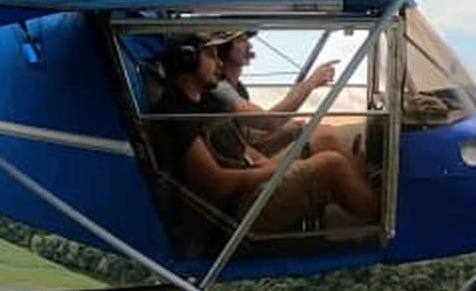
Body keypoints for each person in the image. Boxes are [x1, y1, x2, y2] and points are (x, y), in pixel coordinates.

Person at [152, 33, 378, 232]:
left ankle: (361, 191)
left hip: (253, 180)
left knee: (324, 136)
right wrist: (274, 171)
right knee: (331, 164)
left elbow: (243, 148)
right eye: (211, 55)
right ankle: (380, 216)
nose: (218, 62)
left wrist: (270, 166)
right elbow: (218, 185)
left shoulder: (207, 103)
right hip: (240, 208)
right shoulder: (175, 114)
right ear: (188, 59)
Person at [211, 31, 356, 158]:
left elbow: (248, 133)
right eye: (241, 40)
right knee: (326, 137)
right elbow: (268, 122)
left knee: (307, 129)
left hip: (248, 150)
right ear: (223, 48)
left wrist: (291, 128)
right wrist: (311, 83)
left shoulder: (238, 87)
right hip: (246, 160)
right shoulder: (220, 88)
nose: (249, 46)